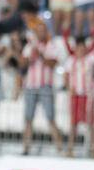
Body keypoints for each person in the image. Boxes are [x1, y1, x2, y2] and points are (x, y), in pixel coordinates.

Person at [21, 20, 64, 155]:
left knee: (50, 117)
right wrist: (30, 57)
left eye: (43, 31)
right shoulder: (29, 46)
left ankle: (59, 148)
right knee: (28, 118)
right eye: (38, 31)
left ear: (46, 32)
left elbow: (53, 63)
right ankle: (26, 147)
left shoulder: (52, 46)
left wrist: (39, 54)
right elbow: (22, 64)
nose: (41, 33)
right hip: (30, 85)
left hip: (46, 86)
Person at [63, 35, 94, 158]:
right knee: (73, 123)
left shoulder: (90, 59)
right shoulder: (70, 61)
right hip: (76, 96)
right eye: (78, 48)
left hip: (88, 96)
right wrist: (69, 88)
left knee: (91, 123)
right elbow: (66, 76)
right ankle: (70, 149)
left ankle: (93, 149)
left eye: (83, 48)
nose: (80, 50)